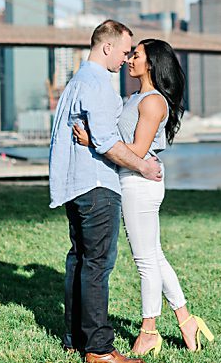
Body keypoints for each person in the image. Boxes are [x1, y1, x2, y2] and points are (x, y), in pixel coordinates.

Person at [74, 39, 215, 355]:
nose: (129, 59)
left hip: (139, 182)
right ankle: (185, 319)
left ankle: (148, 330)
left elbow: (137, 151)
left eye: (135, 55)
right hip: (132, 180)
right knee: (155, 255)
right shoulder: (134, 97)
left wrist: (92, 142)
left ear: (151, 63)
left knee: (144, 261)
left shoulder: (152, 102)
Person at [48, 20, 163, 363]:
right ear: (107, 47)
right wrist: (143, 166)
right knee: (98, 264)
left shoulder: (76, 82)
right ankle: (99, 349)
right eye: (125, 51)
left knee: (80, 261)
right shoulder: (97, 84)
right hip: (97, 184)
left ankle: (74, 338)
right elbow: (106, 141)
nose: (126, 60)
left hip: (74, 184)